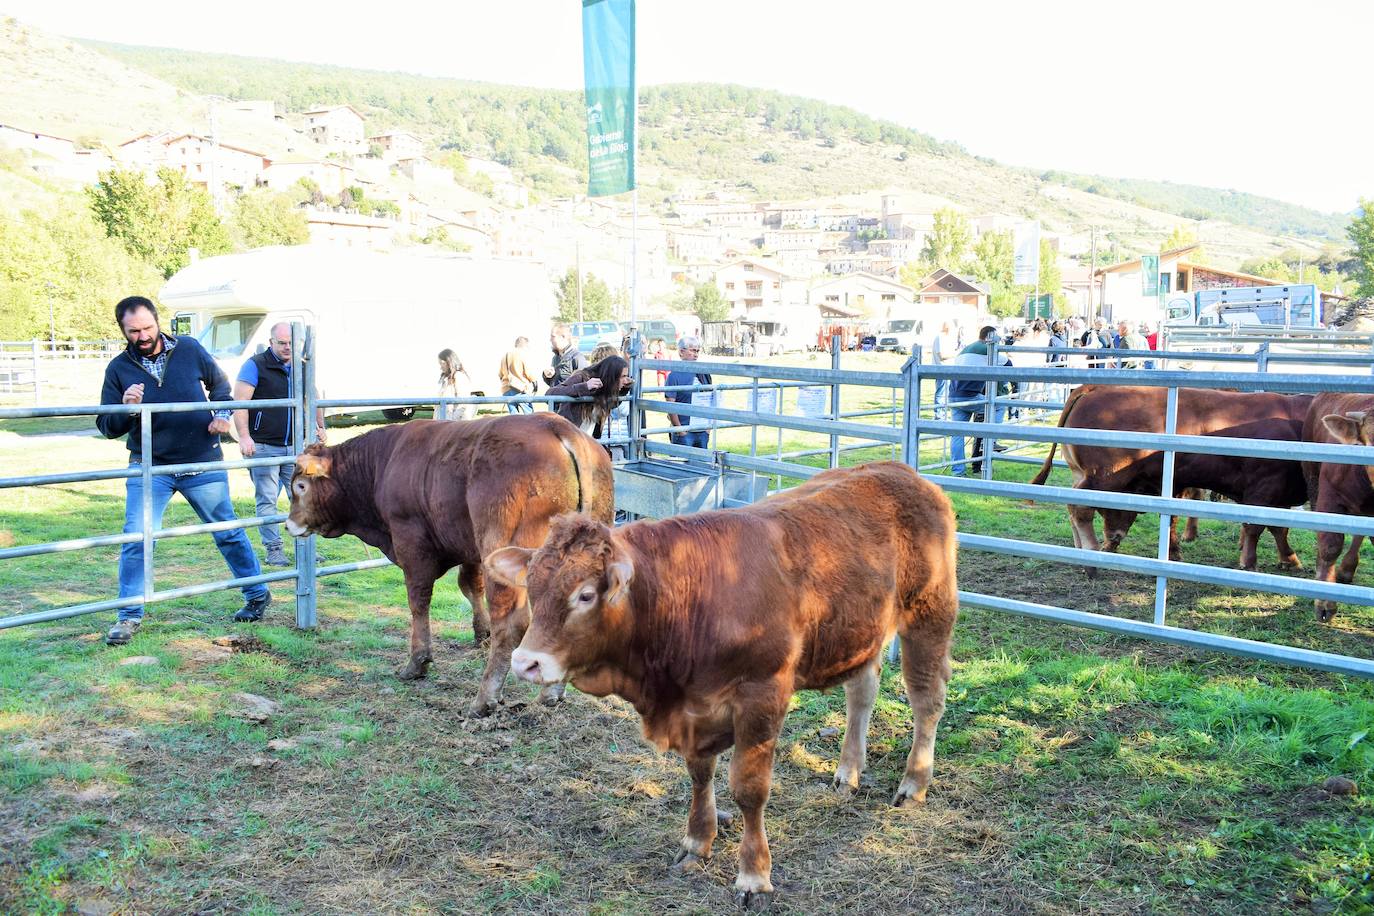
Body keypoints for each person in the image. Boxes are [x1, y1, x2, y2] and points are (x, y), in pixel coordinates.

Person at [97, 296, 270, 646]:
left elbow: (221, 388)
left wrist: (222, 415)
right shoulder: (118, 369)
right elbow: (106, 424)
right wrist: (126, 408)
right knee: (137, 536)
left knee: (227, 530)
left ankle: (256, 593)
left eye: (147, 327)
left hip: (200, 460)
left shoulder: (190, 349)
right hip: (150, 466)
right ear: (123, 330)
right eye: (134, 331)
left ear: (157, 321)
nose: (143, 335)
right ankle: (128, 616)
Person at [233, 321, 326, 568]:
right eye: (282, 343)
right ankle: (274, 550)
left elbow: (314, 398)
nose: (287, 348)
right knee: (267, 499)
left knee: (306, 496)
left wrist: (320, 427)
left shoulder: (303, 367)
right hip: (264, 445)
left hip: (298, 446)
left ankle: (306, 549)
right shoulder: (255, 365)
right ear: (271, 341)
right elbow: (240, 402)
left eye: (292, 343)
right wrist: (244, 436)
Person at [947, 325, 1012, 476]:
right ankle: (990, 439)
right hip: (970, 395)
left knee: (957, 434)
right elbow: (1009, 365)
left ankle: (958, 472)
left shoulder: (965, 349)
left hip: (954, 395)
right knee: (1000, 405)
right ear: (990, 338)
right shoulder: (986, 349)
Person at [545, 355, 632, 439]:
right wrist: (584, 387)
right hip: (567, 438)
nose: (625, 380)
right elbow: (550, 394)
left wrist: (624, 390)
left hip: (587, 443)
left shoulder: (606, 386)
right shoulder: (582, 377)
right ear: (612, 376)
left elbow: (612, 404)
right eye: (623, 376)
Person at [665, 335, 712, 451]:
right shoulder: (674, 376)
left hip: (702, 429)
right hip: (684, 431)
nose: (696, 354)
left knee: (701, 465)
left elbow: (710, 398)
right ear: (681, 352)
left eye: (697, 351)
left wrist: (708, 428)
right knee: (682, 466)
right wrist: (680, 430)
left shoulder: (704, 373)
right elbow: (671, 405)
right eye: (692, 350)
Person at [497, 336, 539, 414]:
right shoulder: (521, 354)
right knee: (530, 415)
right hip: (518, 389)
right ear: (525, 345)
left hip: (506, 389)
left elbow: (500, 374)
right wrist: (535, 382)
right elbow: (528, 372)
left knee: (514, 416)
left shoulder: (505, 356)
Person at [436, 348, 475, 421]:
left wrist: (452, 421)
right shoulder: (445, 378)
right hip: (444, 421)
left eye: (442, 363)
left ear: (449, 362)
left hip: (453, 424)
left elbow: (463, 403)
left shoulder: (459, 377)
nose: (441, 366)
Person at [543, 323, 586, 391]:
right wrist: (547, 376)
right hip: (555, 399)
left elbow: (583, 384)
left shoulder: (577, 358)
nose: (550, 340)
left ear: (563, 337)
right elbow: (554, 384)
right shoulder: (555, 358)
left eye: (553, 336)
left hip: (570, 401)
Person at [930, 322, 959, 420]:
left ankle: (943, 414)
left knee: (946, 393)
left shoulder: (945, 338)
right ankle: (939, 415)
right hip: (942, 369)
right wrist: (956, 354)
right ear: (948, 328)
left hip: (948, 369)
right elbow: (942, 355)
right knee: (941, 393)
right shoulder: (940, 338)